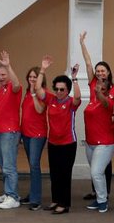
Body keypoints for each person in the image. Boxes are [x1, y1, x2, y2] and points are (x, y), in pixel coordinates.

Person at [77, 31, 114, 211]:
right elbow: (88, 63)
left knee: (96, 172)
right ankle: (100, 197)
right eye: (98, 70)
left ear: (109, 73)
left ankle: (103, 201)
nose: (99, 72)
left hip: (105, 141)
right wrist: (82, 43)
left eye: (103, 70)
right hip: (90, 141)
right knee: (96, 173)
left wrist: (99, 94)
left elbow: (108, 105)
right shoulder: (94, 84)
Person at [33, 56, 81, 214]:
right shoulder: (51, 99)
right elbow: (38, 89)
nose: (59, 92)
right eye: (57, 89)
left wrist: (74, 78)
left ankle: (64, 204)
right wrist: (43, 69)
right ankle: (55, 200)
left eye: (62, 89)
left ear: (67, 90)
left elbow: (78, 97)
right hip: (53, 143)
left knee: (64, 174)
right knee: (54, 173)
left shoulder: (71, 103)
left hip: (68, 144)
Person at [0, 52, 24, 209]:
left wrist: (8, 65)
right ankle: (7, 192)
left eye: (3, 74)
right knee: (3, 164)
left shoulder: (13, 88)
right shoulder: (2, 89)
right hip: (0, 132)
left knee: (9, 166)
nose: (1, 77)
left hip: (9, 133)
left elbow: (17, 83)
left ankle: (13, 197)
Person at [21, 63, 48, 210]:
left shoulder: (42, 93)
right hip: (26, 133)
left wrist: (33, 94)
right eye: (30, 77)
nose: (32, 79)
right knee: (32, 166)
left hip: (37, 135)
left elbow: (39, 110)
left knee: (34, 166)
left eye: (35, 77)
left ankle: (36, 200)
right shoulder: (27, 92)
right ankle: (32, 194)